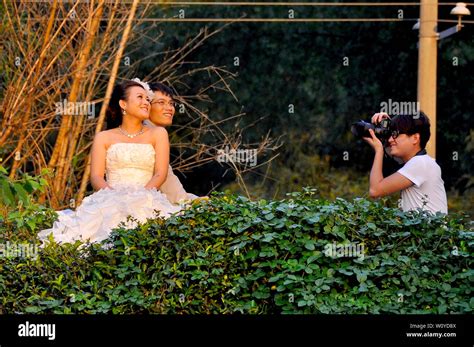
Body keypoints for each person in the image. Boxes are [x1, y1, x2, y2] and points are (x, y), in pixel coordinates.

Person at [38, 80, 181, 245]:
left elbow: (160, 173)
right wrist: (114, 197)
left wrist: (141, 197)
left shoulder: (158, 133)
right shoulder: (103, 137)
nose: (146, 102)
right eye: (140, 97)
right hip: (110, 198)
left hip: (148, 198)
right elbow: (97, 176)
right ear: (123, 104)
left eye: (147, 99)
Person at [364, 111, 448, 214]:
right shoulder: (421, 162)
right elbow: (389, 155)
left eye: (395, 134)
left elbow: (375, 190)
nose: (390, 139)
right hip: (428, 229)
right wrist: (388, 125)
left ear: (415, 138)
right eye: (391, 134)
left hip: (429, 230)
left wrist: (378, 150)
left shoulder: (420, 163)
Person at [142, 81, 200, 204]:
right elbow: (166, 179)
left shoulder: (150, 131)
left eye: (171, 103)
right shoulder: (151, 133)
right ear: (146, 106)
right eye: (161, 102)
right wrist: (186, 203)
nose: (169, 108)